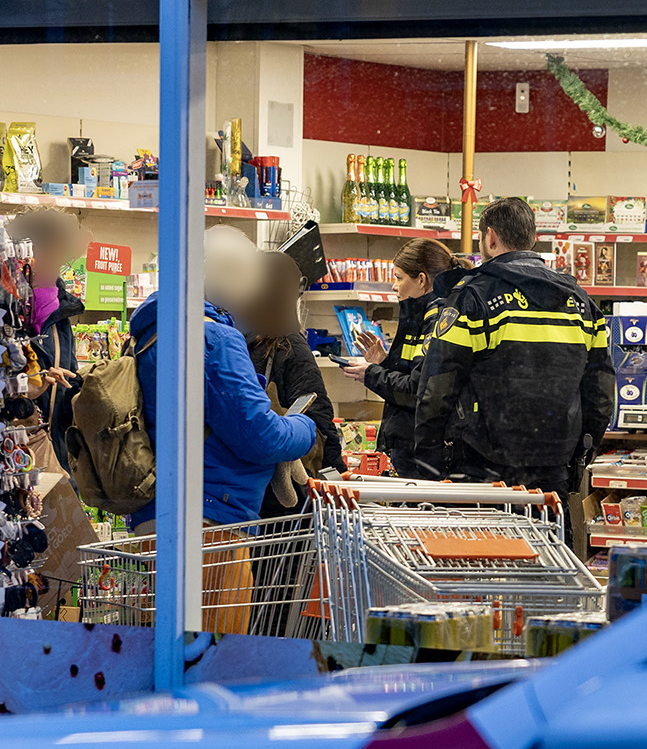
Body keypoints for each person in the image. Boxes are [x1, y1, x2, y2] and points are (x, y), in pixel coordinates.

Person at [126, 226, 318, 631]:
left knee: (161, 649)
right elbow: (260, 436)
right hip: (211, 523)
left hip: (156, 516)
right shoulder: (216, 337)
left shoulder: (153, 330)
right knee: (213, 661)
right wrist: (304, 426)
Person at [414, 197, 613, 495]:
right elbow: (600, 391)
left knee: (486, 543)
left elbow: (438, 385)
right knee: (548, 542)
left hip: (482, 467)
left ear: (490, 237)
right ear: (532, 239)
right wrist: (579, 453)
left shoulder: (473, 296)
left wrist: (428, 462)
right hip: (554, 464)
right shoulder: (580, 301)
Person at [227, 246, 344, 515]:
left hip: (257, 491)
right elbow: (321, 420)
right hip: (277, 499)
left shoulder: (243, 340)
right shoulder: (285, 343)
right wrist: (338, 478)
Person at [342, 237, 468, 480]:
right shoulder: (421, 314)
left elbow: (418, 392)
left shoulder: (438, 321)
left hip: (422, 457)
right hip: (411, 450)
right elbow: (415, 377)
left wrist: (370, 374)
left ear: (421, 280)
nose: (393, 286)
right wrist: (384, 363)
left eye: (399, 277)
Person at [8, 206, 90, 471]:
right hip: (13, 455)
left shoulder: (61, 312)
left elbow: (70, 383)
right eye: (47, 255)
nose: (54, 267)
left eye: (59, 258)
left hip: (56, 454)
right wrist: (26, 389)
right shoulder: (4, 310)